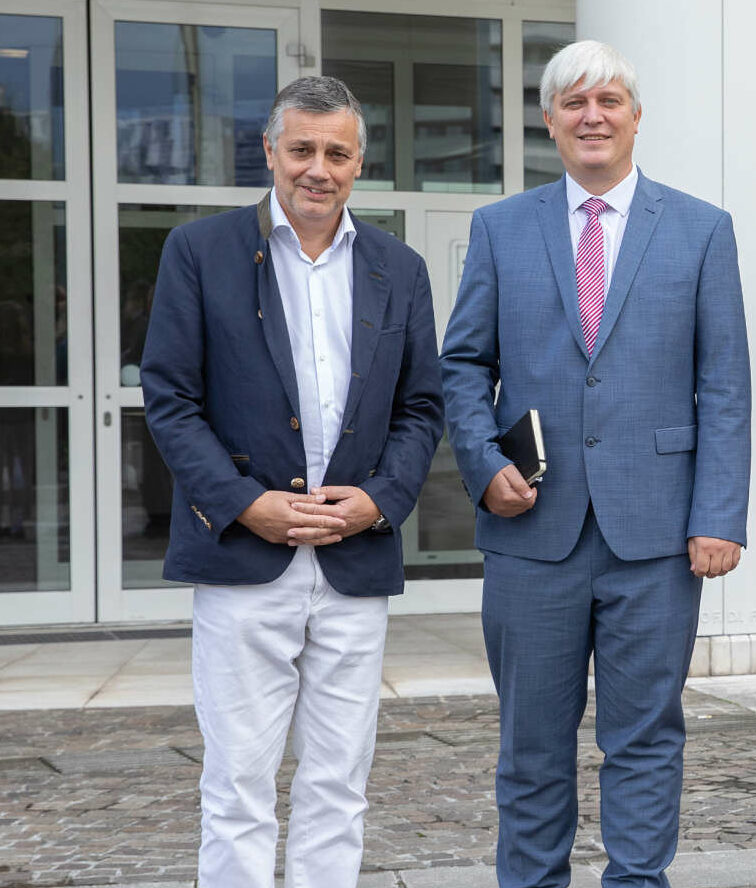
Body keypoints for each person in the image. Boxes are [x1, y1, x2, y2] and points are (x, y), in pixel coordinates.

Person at [438, 40, 751, 888]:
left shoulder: (700, 230)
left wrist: (718, 514)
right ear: (549, 122)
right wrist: (479, 460)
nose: (593, 115)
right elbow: (462, 365)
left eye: (608, 99)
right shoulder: (501, 228)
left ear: (636, 117)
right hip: (529, 530)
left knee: (645, 740)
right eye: (573, 102)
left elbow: (723, 386)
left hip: (655, 537)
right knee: (531, 747)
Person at [140, 76, 444, 888]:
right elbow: (170, 400)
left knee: (338, 783)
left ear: (359, 163)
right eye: (302, 149)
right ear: (270, 151)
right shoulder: (199, 253)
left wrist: (382, 498)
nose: (319, 168)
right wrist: (245, 504)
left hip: (354, 563)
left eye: (337, 153)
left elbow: (422, 405)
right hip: (244, 560)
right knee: (237, 783)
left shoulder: (399, 268)